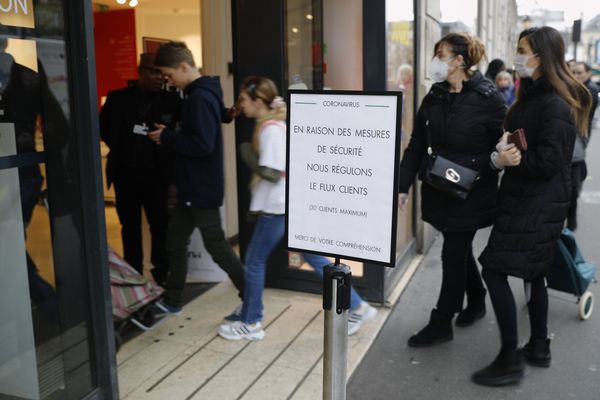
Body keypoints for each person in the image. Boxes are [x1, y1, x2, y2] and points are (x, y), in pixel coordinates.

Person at [472, 26, 592, 387]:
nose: (517, 55)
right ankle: (538, 346)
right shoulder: (535, 95)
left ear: (541, 55)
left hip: (534, 206)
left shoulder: (554, 102)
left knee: (493, 271)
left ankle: (510, 358)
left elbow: (550, 161)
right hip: (532, 203)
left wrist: (513, 159)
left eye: (523, 49)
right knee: (534, 273)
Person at [218, 76, 376, 341]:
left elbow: (273, 172)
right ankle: (359, 307)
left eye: (244, 99)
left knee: (254, 262)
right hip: (287, 204)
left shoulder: (270, 129)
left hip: (276, 208)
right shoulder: (273, 124)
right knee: (314, 257)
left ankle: (252, 321)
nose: (240, 105)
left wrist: (248, 156)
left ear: (258, 102)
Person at [398, 32, 506, 347]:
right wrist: (402, 186)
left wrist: (494, 164)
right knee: (457, 250)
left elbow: (499, 151)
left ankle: (441, 322)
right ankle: (476, 298)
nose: (435, 61)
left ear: (459, 60)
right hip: (439, 189)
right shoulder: (434, 95)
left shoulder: (489, 99)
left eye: (440, 54)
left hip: (472, 194)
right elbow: (417, 144)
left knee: (451, 253)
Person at [147, 42, 245, 315]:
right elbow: (209, 126)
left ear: (183, 66)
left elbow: (203, 145)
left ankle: (251, 297)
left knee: (215, 245)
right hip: (193, 188)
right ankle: (173, 300)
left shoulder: (199, 97)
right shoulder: (201, 93)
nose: (168, 81)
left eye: (169, 74)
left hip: (200, 188)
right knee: (175, 242)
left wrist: (167, 137)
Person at [100, 53, 181, 284]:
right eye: (154, 72)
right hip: (125, 175)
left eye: (162, 73)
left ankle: (161, 275)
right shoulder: (117, 99)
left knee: (160, 226)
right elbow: (103, 128)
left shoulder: (171, 101)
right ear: (141, 71)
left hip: (157, 175)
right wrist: (122, 145)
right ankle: (133, 275)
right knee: (129, 227)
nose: (159, 77)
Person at [566, 62, 597, 231]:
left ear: (587, 74)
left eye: (579, 72)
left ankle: (571, 219)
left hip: (577, 145)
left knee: (573, 186)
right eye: (572, 72)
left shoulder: (588, 91)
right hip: (574, 145)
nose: (575, 75)